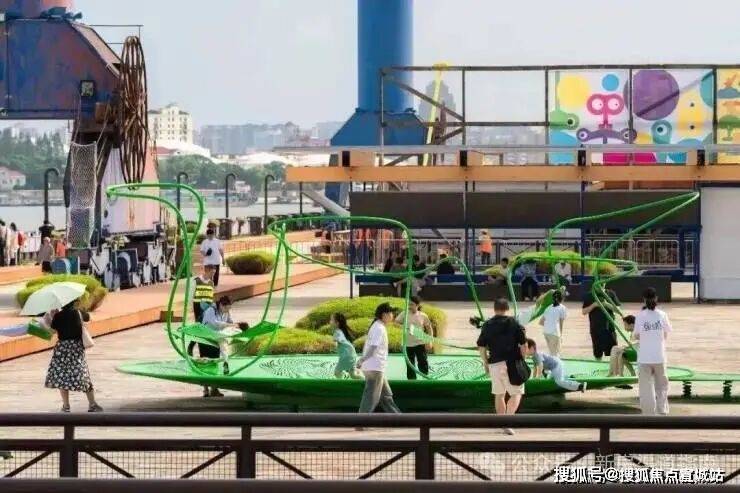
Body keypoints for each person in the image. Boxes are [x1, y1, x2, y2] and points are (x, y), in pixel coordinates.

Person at [476, 298, 527, 435]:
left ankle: (501, 422)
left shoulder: (487, 325)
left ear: (494, 309)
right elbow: (523, 344)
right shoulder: (514, 323)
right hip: (512, 363)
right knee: (516, 393)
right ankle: (508, 422)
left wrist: (486, 363)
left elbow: (481, 346)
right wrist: (523, 360)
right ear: (507, 308)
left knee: (499, 394)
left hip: (494, 364)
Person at [45, 302, 102, 412]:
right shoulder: (79, 313)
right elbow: (90, 318)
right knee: (83, 374)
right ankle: (92, 404)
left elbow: (52, 331)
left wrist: (51, 318)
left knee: (62, 377)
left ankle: (66, 406)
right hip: (76, 348)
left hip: (62, 349)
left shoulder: (58, 316)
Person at [357, 302, 401, 414]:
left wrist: (363, 360)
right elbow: (373, 347)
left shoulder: (378, 326)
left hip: (375, 367)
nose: (393, 315)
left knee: (386, 396)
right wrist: (362, 360)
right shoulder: (379, 328)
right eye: (391, 313)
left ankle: (398, 419)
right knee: (371, 398)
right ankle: (360, 421)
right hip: (375, 367)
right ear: (384, 314)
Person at [634, 288, 672, 415]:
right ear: (656, 298)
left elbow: (636, 335)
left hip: (644, 357)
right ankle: (662, 411)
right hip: (659, 356)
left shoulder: (640, 316)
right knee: (662, 386)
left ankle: (648, 413)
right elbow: (666, 334)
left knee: (645, 388)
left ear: (644, 300)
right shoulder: (662, 315)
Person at [200, 296, 236, 397]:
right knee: (206, 362)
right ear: (221, 305)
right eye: (226, 308)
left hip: (216, 338)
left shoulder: (226, 312)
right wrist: (228, 325)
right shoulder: (211, 310)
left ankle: (214, 388)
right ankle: (205, 389)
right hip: (206, 339)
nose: (227, 311)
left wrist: (234, 326)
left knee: (215, 362)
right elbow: (214, 324)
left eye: (229, 309)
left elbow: (230, 322)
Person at [395, 296, 433, 380]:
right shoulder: (404, 314)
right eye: (409, 304)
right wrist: (404, 327)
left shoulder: (423, 316)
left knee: (423, 362)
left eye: (412, 304)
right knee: (410, 364)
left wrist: (430, 341)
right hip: (407, 344)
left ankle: (425, 378)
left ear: (417, 305)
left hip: (420, 343)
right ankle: (412, 381)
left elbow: (429, 328)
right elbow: (396, 322)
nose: (410, 306)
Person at [187, 264, 217, 363]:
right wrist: (190, 308)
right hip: (198, 307)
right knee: (200, 328)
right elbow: (191, 295)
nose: (213, 274)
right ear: (206, 270)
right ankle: (191, 346)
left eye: (214, 272)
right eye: (212, 272)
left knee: (205, 329)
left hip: (207, 308)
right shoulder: (196, 281)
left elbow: (211, 297)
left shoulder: (211, 283)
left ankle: (201, 350)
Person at [582, 287, 621, 360]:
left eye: (602, 283)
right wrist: (594, 305)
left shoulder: (610, 293)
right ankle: (598, 365)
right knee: (598, 353)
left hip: (609, 328)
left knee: (613, 352)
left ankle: (613, 367)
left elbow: (618, 310)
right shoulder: (590, 295)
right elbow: (584, 311)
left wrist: (607, 304)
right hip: (595, 329)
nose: (601, 285)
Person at [331, 313, 361, 379]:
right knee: (353, 375)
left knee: (337, 372)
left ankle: (341, 383)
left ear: (337, 323)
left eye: (331, 320)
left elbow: (337, 341)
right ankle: (365, 379)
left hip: (346, 356)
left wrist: (334, 346)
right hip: (352, 355)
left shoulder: (337, 332)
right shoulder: (342, 331)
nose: (330, 322)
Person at [608, 315, 637, 382]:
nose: (624, 327)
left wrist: (629, 345)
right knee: (620, 354)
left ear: (631, 325)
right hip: (633, 351)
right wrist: (626, 346)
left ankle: (612, 373)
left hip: (638, 353)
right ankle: (621, 374)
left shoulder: (637, 331)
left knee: (615, 348)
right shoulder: (633, 332)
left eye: (625, 325)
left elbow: (641, 341)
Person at [539, 290, 567, 357]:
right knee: (555, 354)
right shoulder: (562, 308)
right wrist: (561, 336)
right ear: (562, 299)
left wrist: (549, 324)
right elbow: (561, 323)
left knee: (552, 352)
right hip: (554, 334)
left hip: (546, 332)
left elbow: (541, 322)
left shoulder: (548, 308)